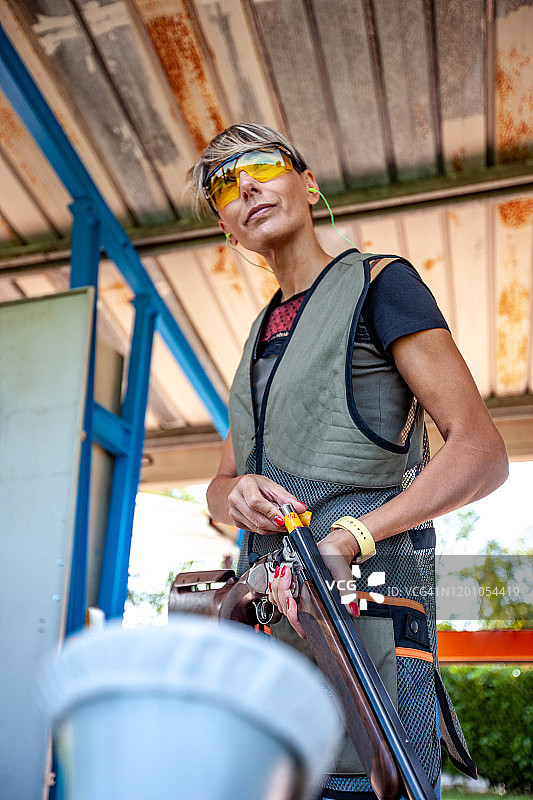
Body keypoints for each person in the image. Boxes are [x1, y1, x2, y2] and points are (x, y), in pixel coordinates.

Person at [186, 123, 508, 799]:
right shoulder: (253, 343)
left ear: (307, 184)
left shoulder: (377, 284)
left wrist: (351, 537)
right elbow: (218, 487)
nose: (244, 186)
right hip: (268, 650)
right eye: (224, 185)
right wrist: (234, 494)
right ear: (227, 231)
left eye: (262, 166)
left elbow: (481, 453)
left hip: (365, 635)